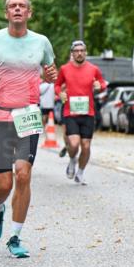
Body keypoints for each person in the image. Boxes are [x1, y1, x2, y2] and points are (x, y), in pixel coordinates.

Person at [0, 0, 57, 258]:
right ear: (6, 12)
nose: (17, 9)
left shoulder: (42, 41)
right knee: (4, 184)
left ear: (29, 13)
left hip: (28, 115)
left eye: (22, 6)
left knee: (23, 174)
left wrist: (52, 75)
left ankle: (16, 237)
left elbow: (51, 73)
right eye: (13, 6)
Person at [55, 40, 106, 184]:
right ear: (72, 53)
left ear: (86, 52)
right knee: (74, 144)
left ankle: (81, 172)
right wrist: (60, 93)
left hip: (88, 113)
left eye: (81, 50)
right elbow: (57, 85)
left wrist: (99, 86)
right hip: (70, 113)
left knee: (86, 145)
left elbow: (102, 84)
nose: (79, 53)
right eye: (76, 51)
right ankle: (72, 160)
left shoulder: (93, 69)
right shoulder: (65, 69)